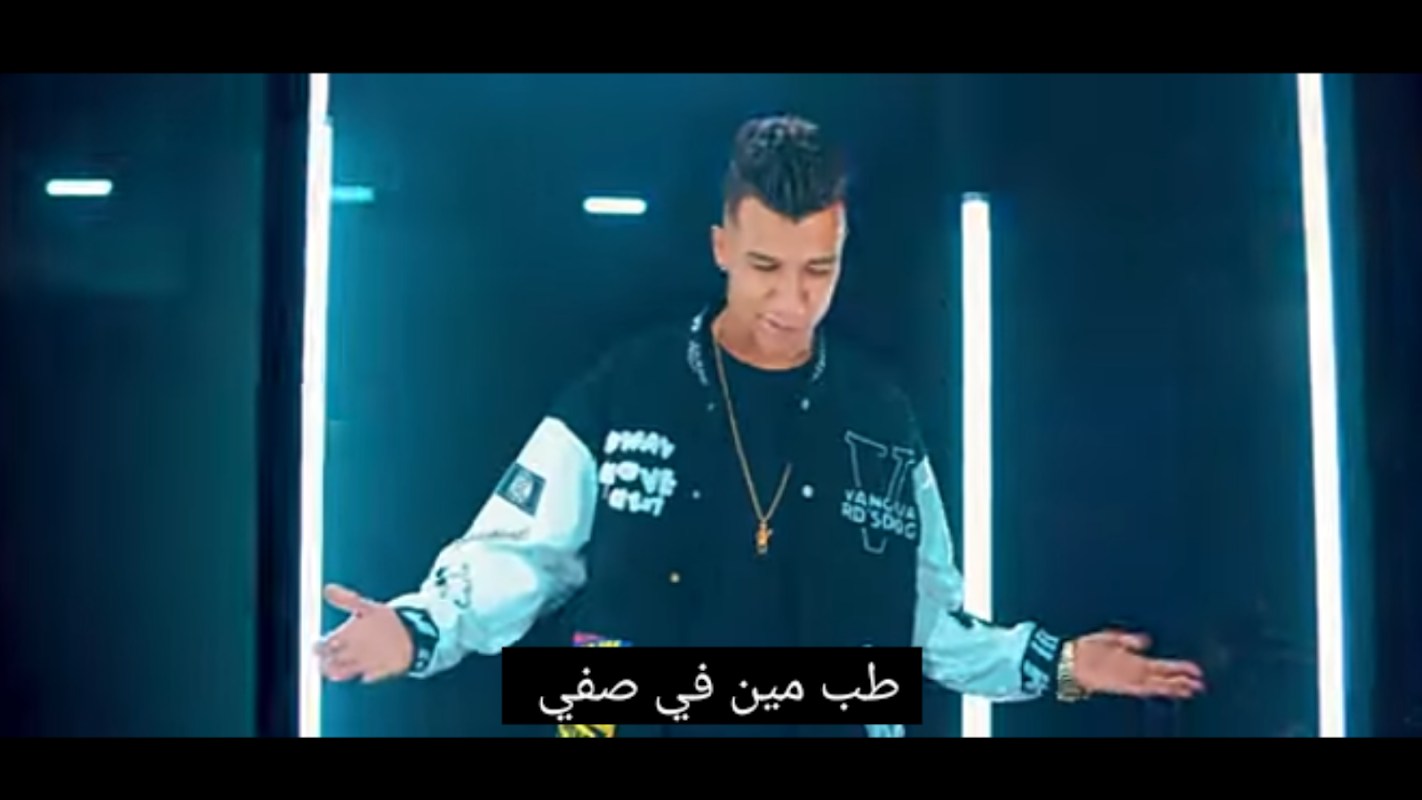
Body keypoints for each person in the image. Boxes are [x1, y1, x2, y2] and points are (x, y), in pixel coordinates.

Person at [316, 114, 1205, 738]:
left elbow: (929, 624)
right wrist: (418, 628)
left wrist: (1061, 665)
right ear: (721, 248)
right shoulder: (625, 387)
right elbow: (514, 557)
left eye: (819, 269)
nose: (792, 299)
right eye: (765, 267)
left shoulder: (879, 415)